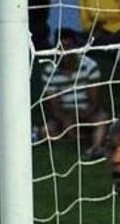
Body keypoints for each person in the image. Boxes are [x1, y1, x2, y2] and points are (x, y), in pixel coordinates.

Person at [41, 28, 110, 160]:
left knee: (102, 118)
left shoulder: (90, 65)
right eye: (62, 47)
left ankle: (94, 148)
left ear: (75, 47)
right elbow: (53, 104)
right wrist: (66, 119)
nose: (66, 52)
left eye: (68, 47)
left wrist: (80, 116)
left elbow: (94, 101)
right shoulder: (49, 71)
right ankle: (74, 139)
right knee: (46, 131)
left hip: (86, 111)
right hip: (64, 113)